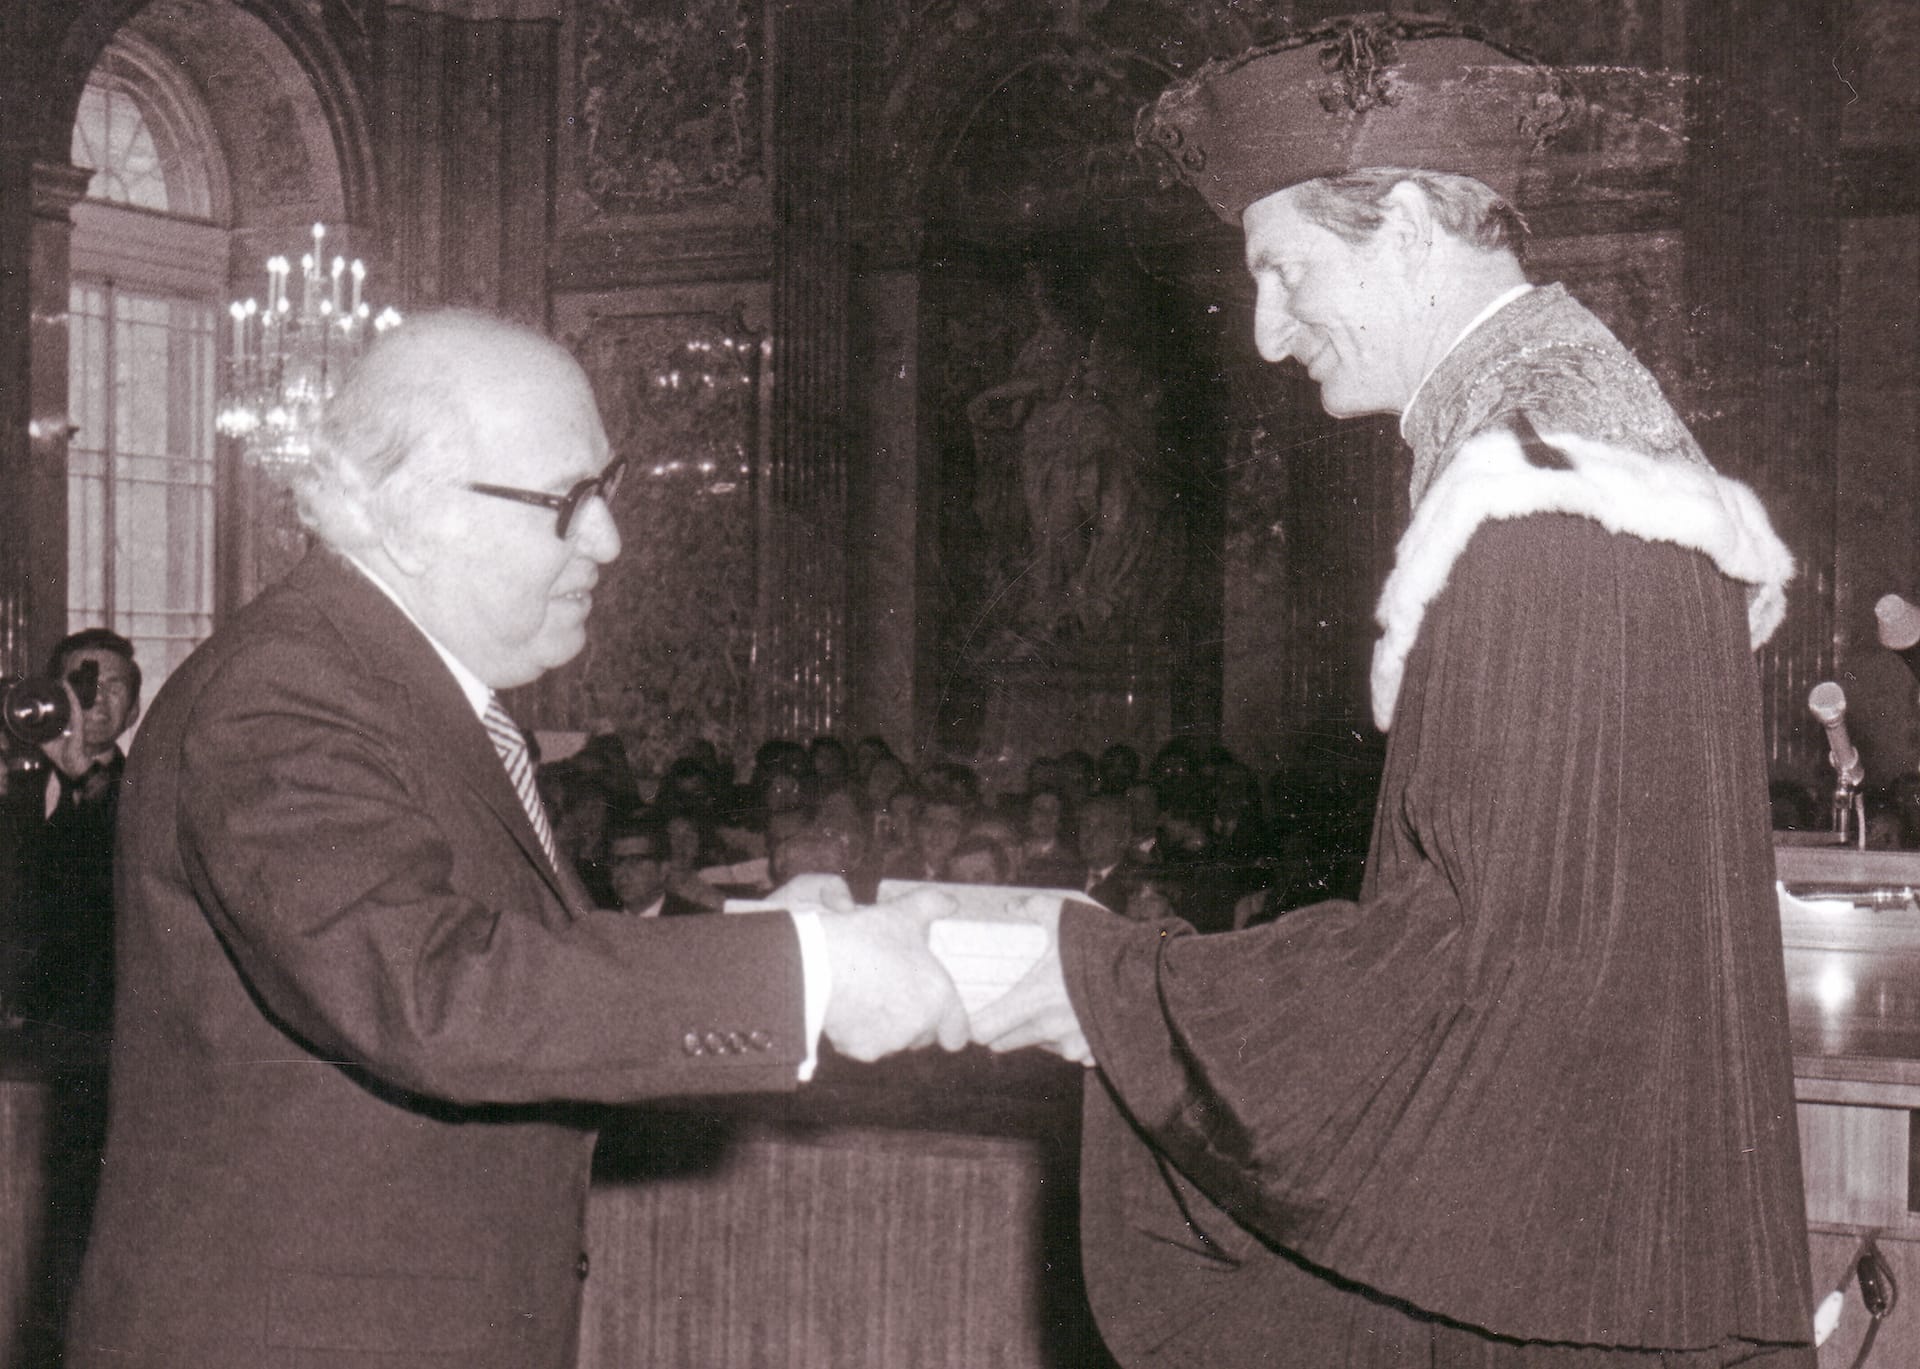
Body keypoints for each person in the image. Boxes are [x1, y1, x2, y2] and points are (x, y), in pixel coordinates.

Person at [974, 18, 1812, 1367]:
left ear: (1412, 221)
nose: (1263, 333)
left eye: (1283, 271)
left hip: (1557, 1280)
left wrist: (1116, 986)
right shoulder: (1580, 456)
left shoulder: (1545, 505)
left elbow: (1480, 963)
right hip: (1590, 1233)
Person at [66, 309, 967, 1369]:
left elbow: (529, 981)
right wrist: (802, 976)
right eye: (567, 502)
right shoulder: (281, 695)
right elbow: (434, 991)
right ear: (408, 516)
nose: (609, 540)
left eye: (608, 488)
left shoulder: (408, 694)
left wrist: (763, 931)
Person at [4, 627, 141, 1035]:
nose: (94, 696)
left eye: (112, 685)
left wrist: (81, 767)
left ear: (133, 710)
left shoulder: (142, 793)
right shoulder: (15, 783)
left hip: (95, 1035)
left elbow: (125, 855)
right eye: (79, 684)